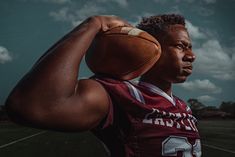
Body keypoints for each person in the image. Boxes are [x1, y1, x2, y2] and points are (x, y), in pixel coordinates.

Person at [5, 14, 201, 157]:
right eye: (180, 46)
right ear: (151, 48)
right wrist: (93, 24)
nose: (191, 56)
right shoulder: (120, 93)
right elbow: (32, 106)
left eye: (190, 47)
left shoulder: (183, 106)